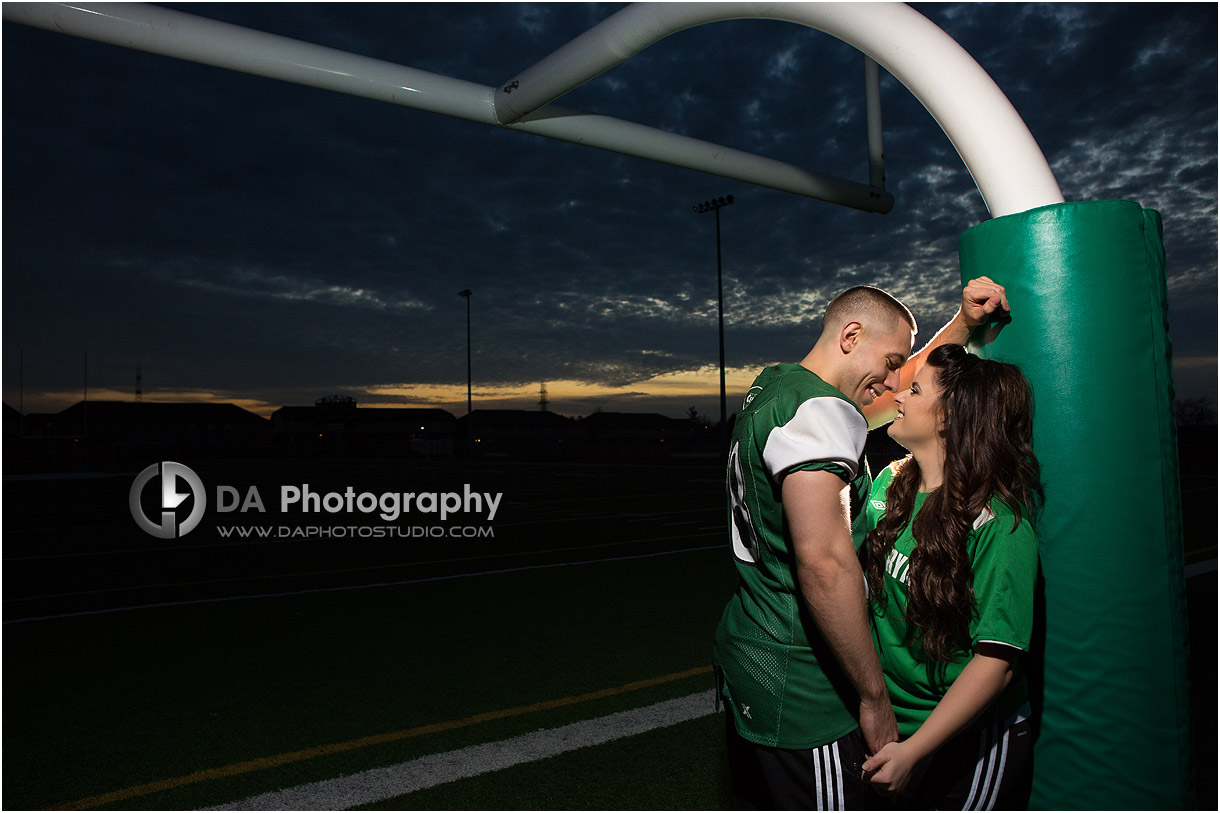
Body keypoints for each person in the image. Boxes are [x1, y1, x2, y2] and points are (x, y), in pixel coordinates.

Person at [713, 277, 1010, 810]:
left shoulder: (779, 386)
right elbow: (824, 564)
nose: (896, 380)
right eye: (891, 359)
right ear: (851, 335)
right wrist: (874, 698)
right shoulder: (822, 412)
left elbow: (905, 392)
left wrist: (964, 326)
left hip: (751, 645)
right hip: (802, 680)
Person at [860, 343, 1042, 809]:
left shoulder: (1000, 523)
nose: (897, 394)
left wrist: (915, 752)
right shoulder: (890, 483)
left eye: (916, 389)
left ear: (948, 417)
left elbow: (996, 665)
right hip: (892, 726)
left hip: (970, 736)